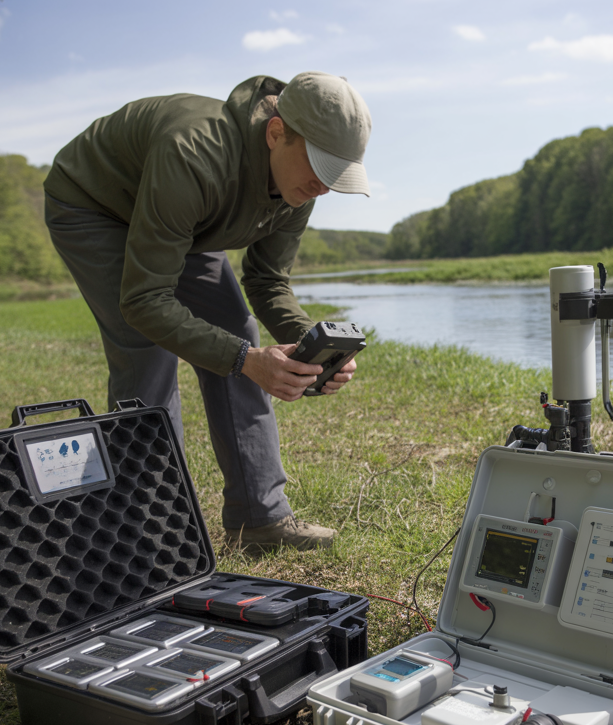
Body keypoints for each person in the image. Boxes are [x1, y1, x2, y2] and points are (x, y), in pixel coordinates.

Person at [43, 72, 371, 551]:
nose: (326, 186)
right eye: (321, 167)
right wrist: (246, 359)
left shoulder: (302, 184)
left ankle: (259, 520)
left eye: (338, 173)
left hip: (184, 220)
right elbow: (144, 301)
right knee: (148, 348)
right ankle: (153, 534)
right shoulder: (195, 152)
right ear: (276, 133)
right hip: (96, 206)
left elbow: (266, 280)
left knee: (237, 331)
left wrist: (309, 346)